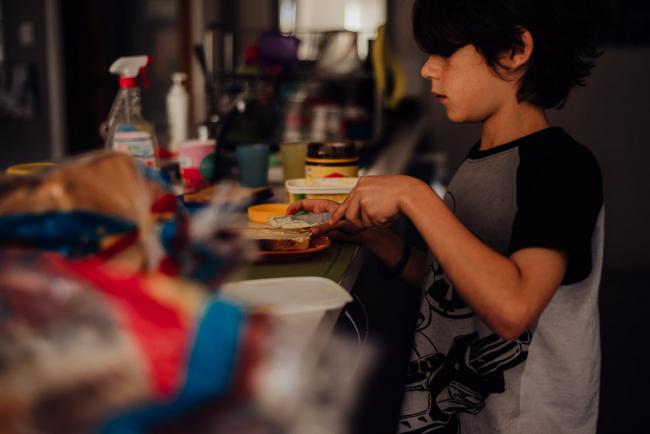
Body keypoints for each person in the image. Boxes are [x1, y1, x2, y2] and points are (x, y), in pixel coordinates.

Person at [288, 0, 604, 432]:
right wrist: (378, 241)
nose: (427, 69)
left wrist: (414, 196)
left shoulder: (562, 167)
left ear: (515, 50)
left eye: (445, 52)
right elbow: (456, 288)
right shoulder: (481, 163)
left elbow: (512, 309)